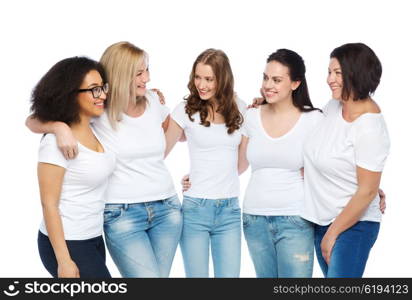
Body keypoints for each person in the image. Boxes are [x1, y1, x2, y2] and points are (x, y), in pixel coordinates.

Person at [27, 42, 183, 278]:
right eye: (139, 73)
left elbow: (164, 142)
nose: (147, 78)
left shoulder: (150, 102)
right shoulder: (98, 110)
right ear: (121, 76)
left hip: (163, 211)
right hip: (119, 215)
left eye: (147, 70)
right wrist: (58, 127)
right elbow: (32, 120)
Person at [301, 43, 390, 278]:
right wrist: (264, 106)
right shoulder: (333, 107)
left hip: (352, 226)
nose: (329, 79)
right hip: (322, 219)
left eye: (337, 73)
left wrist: (332, 234)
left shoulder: (369, 125)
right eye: (329, 72)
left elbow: (366, 191)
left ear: (356, 73)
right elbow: (323, 152)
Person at [238, 49, 323, 277]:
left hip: (295, 218)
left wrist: (372, 190)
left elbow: (332, 165)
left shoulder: (314, 120)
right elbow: (238, 166)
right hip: (253, 218)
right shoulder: (251, 116)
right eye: (265, 78)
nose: (268, 85)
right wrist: (199, 175)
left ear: (295, 83)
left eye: (277, 80)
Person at [165, 49, 245, 277]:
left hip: (229, 210)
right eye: (197, 77)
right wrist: (154, 104)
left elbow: (243, 162)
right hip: (195, 210)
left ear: (223, 79)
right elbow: (158, 151)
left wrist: (218, 175)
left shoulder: (242, 108)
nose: (202, 84)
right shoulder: (184, 110)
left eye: (209, 79)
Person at [33, 56, 115, 278]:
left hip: (94, 238)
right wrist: (63, 260)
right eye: (94, 90)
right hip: (67, 243)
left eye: (103, 87)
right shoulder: (54, 143)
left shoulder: (97, 126)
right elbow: (48, 204)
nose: (103, 95)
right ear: (70, 94)